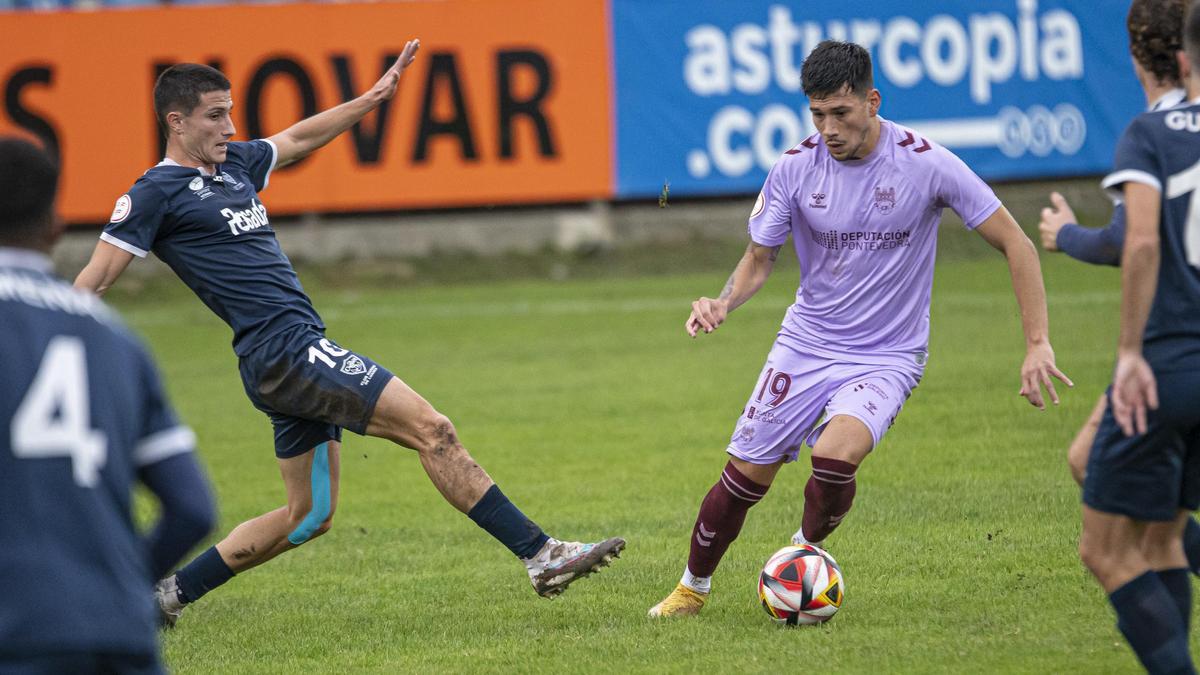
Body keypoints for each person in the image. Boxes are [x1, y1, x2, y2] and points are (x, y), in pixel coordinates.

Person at [74, 40, 623, 627]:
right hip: (287, 351)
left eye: (231, 111)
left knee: (307, 517)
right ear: (175, 122)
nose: (230, 126)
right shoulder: (152, 193)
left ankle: (165, 597)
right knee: (433, 430)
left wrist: (372, 98)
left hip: (280, 357)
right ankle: (541, 554)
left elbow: (298, 139)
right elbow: (93, 282)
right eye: (215, 115)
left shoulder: (231, 166)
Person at [648, 40, 1071, 618]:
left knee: (835, 454)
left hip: (887, 355)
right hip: (805, 344)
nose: (828, 128)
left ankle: (804, 552)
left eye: (840, 113)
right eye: (817, 114)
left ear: (872, 101)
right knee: (745, 474)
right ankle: (691, 588)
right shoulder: (796, 168)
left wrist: (1037, 343)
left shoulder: (927, 164)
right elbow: (759, 258)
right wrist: (723, 301)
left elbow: (1017, 244)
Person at [0, 136, 216, 672]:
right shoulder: (114, 338)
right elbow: (192, 508)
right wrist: (112, 586)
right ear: (54, 226)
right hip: (116, 637)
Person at [1077, 1, 1200, 669]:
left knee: (1105, 548)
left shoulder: (1151, 135)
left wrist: (1129, 352)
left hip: (1168, 362)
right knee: (1163, 540)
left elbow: (1138, 240)